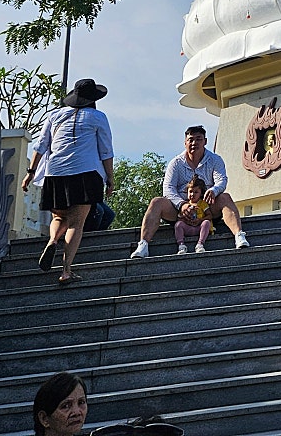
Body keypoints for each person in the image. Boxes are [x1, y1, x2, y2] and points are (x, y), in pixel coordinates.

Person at [22, 79, 113, 285]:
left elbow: (41, 145)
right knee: (76, 223)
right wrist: (110, 179)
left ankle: (53, 240)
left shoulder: (54, 115)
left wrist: (30, 173)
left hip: (55, 174)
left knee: (58, 216)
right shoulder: (98, 117)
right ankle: (66, 270)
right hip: (85, 173)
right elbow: (106, 151)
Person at [131, 126, 251, 258]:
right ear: (185, 143)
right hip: (180, 212)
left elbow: (221, 180)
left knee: (225, 197)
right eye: (191, 140)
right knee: (156, 202)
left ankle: (239, 235)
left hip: (207, 209)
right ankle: (143, 245)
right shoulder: (176, 163)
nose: (194, 143)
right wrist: (182, 205)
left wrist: (214, 190)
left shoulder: (215, 160)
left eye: (198, 139)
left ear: (205, 141)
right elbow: (168, 188)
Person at [173, 177, 214, 253]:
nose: (192, 194)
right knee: (178, 225)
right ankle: (181, 245)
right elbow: (179, 218)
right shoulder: (185, 205)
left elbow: (209, 216)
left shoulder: (202, 204)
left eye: (196, 192)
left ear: (201, 193)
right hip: (188, 228)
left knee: (206, 223)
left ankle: (200, 244)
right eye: (190, 191)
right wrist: (185, 220)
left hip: (199, 228)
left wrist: (200, 220)